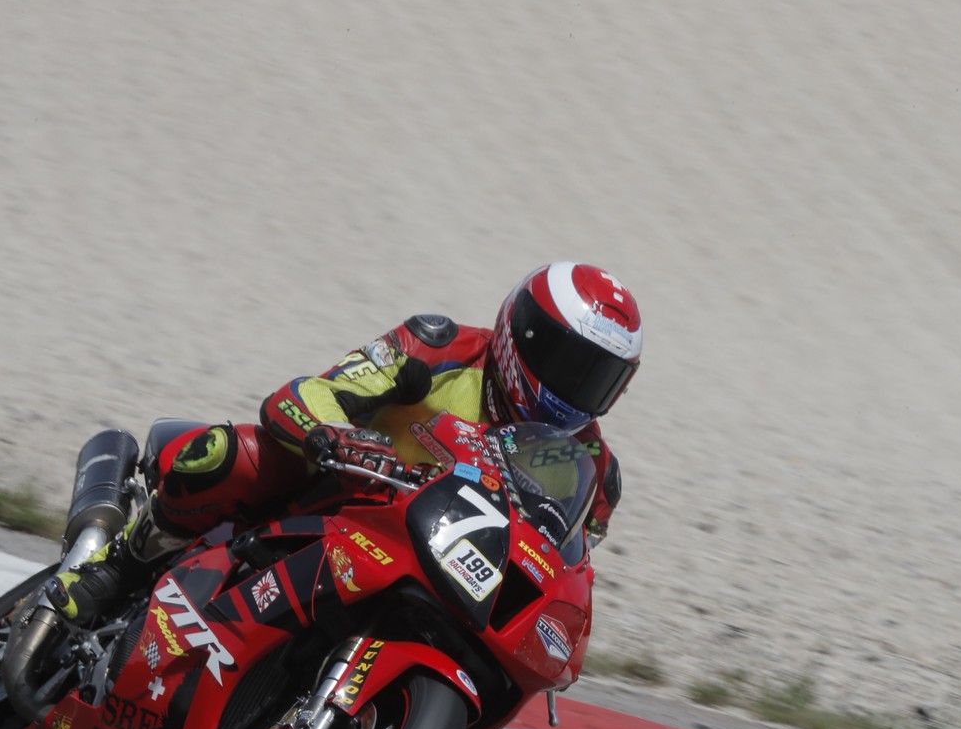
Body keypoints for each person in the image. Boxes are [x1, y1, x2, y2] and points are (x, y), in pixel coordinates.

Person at [50, 261, 643, 624]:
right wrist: (338, 437)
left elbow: (565, 573)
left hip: (442, 565)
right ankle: (117, 567)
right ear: (523, 333)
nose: (574, 390)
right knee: (230, 455)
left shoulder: (592, 469)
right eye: (567, 364)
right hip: (340, 502)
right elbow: (309, 393)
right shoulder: (438, 348)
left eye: (597, 378)